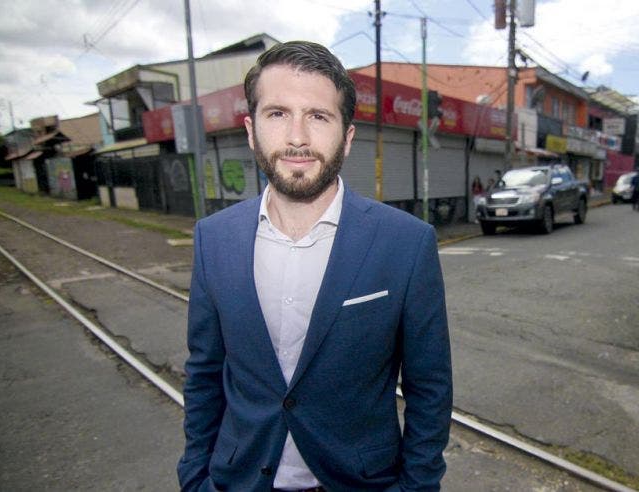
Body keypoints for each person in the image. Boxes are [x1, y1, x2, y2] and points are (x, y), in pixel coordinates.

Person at [177, 41, 453, 492]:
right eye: (277, 113)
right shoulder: (213, 238)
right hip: (238, 480)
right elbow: (204, 376)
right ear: (251, 130)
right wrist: (194, 478)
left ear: (346, 136)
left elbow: (430, 389)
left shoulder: (406, 243)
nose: (297, 137)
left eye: (318, 116)